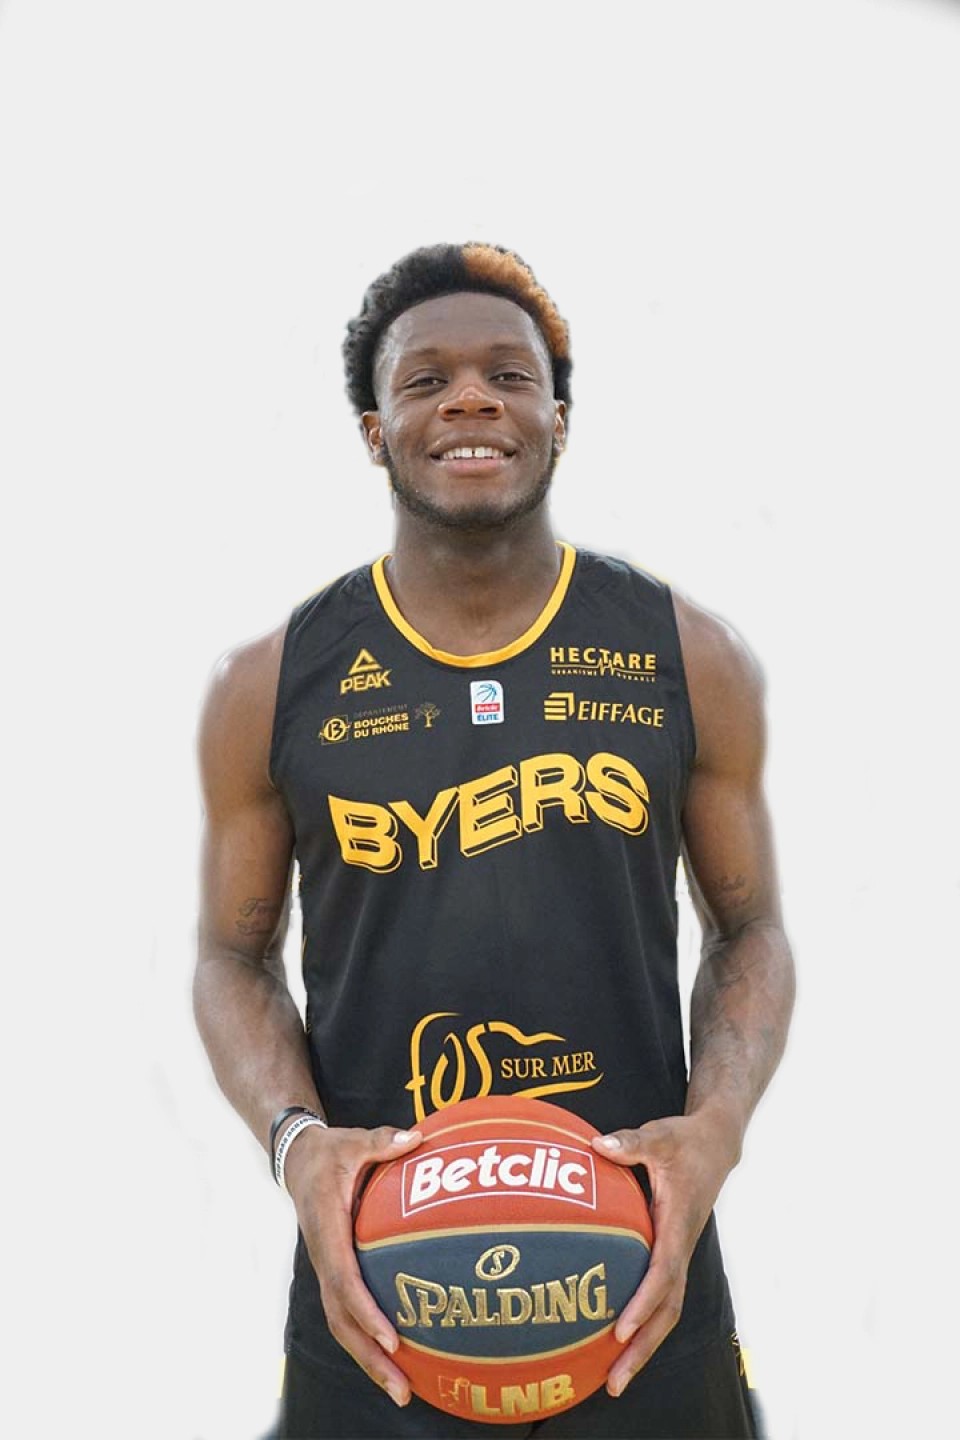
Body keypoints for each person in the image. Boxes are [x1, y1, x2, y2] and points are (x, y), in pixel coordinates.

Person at [193, 242, 795, 1439]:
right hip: (379, 1281)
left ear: (557, 420)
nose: (470, 399)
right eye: (426, 380)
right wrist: (300, 1147)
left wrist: (715, 1131)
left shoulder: (688, 656)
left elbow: (751, 932)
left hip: (637, 1265)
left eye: (509, 376)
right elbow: (229, 959)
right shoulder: (271, 684)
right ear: (375, 431)